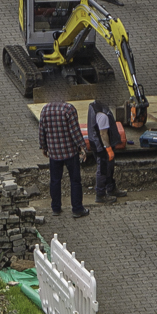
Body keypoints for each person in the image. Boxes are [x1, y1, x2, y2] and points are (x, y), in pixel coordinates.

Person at [37, 84, 89, 218]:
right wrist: (82, 147)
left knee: (55, 180)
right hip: (70, 152)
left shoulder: (45, 109)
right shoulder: (68, 109)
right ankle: (77, 209)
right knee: (75, 180)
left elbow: (42, 131)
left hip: (54, 153)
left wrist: (43, 146)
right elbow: (75, 132)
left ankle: (56, 208)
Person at [86, 98, 126, 203]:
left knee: (109, 168)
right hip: (102, 146)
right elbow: (103, 134)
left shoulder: (94, 105)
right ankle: (100, 195)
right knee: (103, 169)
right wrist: (108, 149)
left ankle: (111, 188)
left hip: (96, 143)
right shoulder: (102, 114)